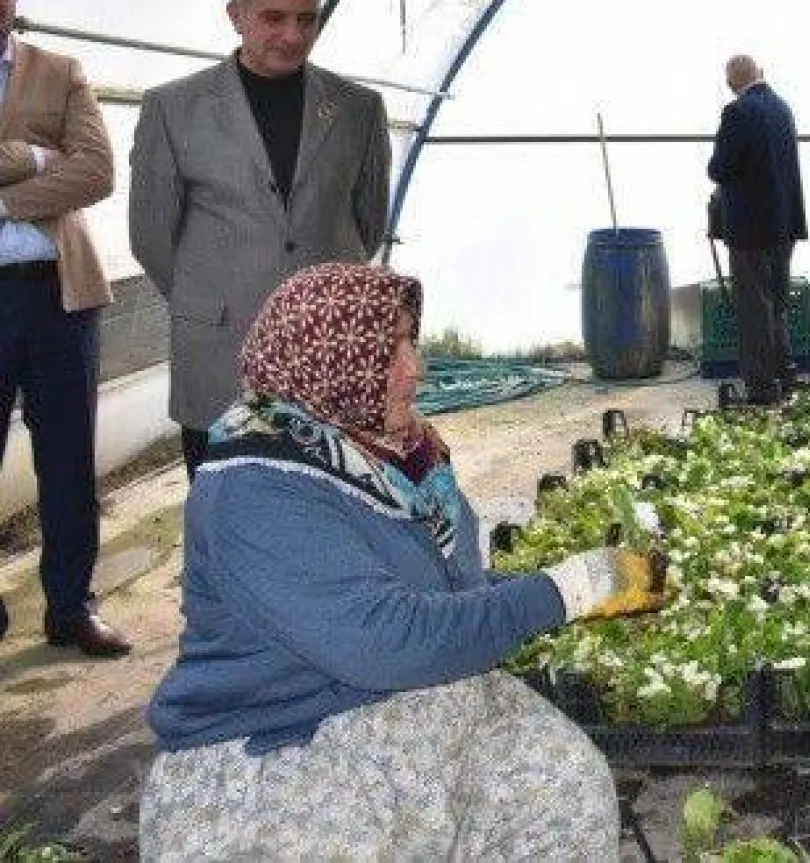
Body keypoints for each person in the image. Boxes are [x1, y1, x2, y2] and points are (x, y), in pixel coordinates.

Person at [141, 262, 662, 859]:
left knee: (563, 786)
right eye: (389, 350)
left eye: (412, 341)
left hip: (405, 703)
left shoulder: (401, 458)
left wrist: (575, 592)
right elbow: (384, 639)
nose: (416, 367)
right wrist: (562, 591)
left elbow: (450, 592)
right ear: (330, 360)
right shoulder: (253, 488)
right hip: (282, 740)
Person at [129, 0, 391, 482]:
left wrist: (323, 300)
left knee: (338, 502)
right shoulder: (174, 109)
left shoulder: (357, 109)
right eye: (274, 18)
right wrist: (209, 298)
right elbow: (151, 236)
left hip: (329, 351)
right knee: (226, 508)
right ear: (235, 16)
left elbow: (369, 221)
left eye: (307, 19)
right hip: (222, 353)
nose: (293, 35)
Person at [0, 0, 129, 656]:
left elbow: (98, 171)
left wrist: (8, 202)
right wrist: (28, 155)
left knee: (69, 458)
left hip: (58, 294)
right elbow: (61, 168)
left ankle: (72, 606)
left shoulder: (60, 71)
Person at [707, 54, 808, 404]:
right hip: (785, 222)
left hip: (750, 227)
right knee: (776, 303)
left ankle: (762, 387)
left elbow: (719, 168)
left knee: (753, 309)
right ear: (760, 73)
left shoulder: (737, 112)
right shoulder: (782, 106)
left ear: (731, 83)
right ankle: (786, 373)